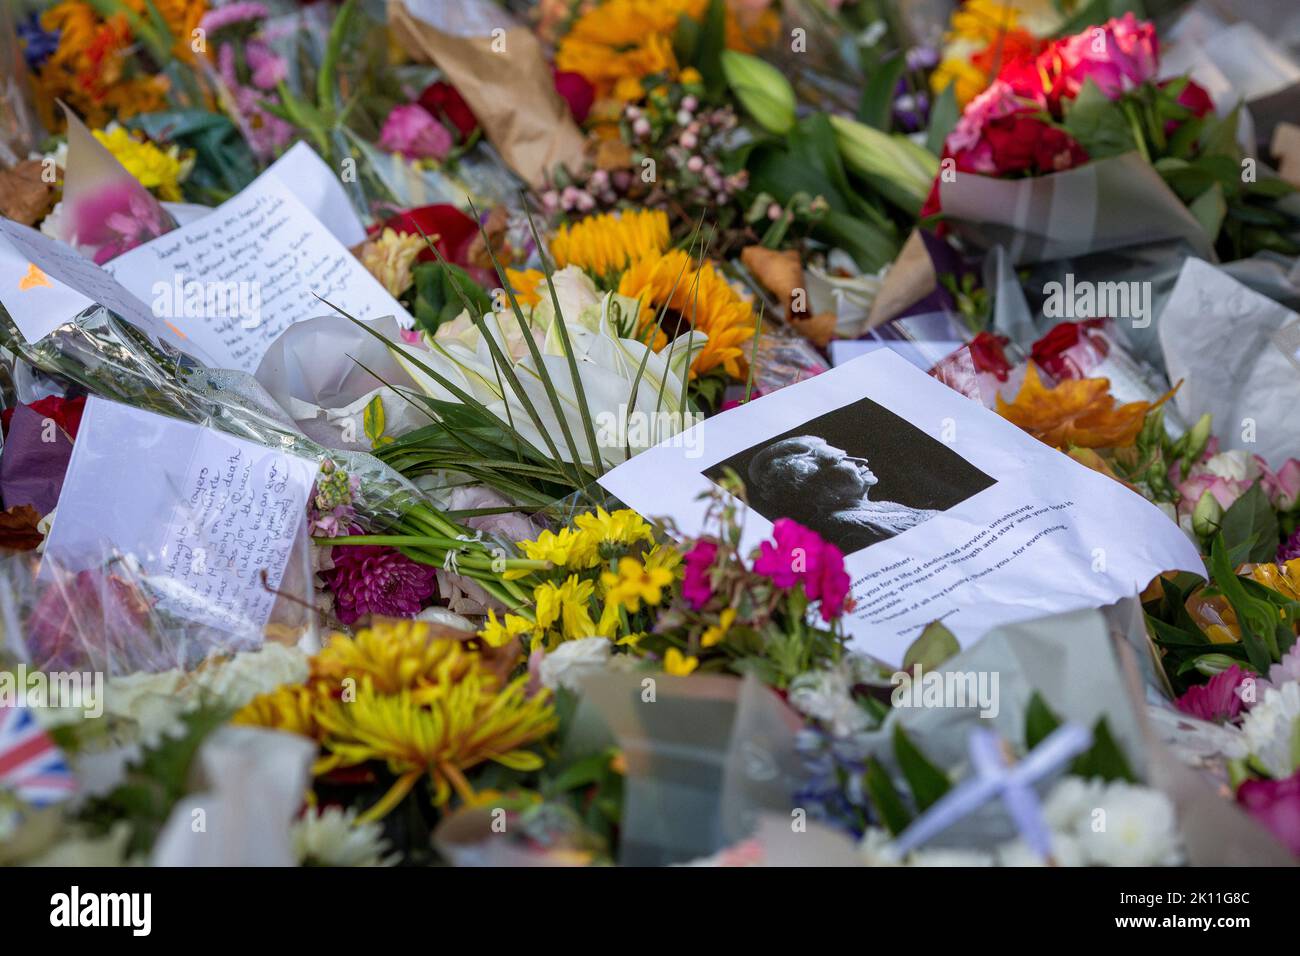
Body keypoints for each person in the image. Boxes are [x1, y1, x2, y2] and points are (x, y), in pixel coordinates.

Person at [747, 435, 938, 552]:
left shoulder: (885, 506)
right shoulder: (842, 527)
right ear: (812, 481)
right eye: (840, 459)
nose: (860, 459)